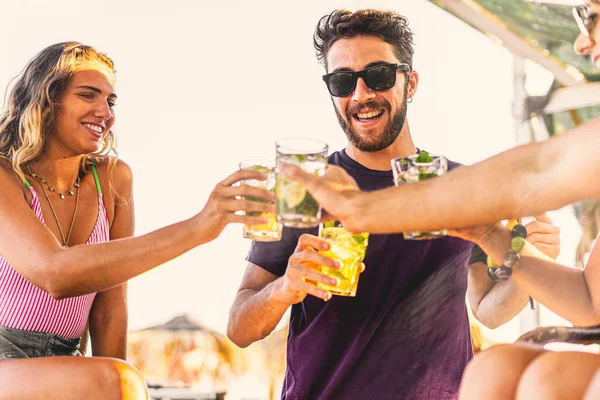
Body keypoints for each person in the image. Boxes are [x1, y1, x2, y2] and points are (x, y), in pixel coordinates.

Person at [226, 9, 559, 399]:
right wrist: (284, 287)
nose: (361, 94)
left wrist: (531, 259)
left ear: (410, 83)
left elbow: (488, 308)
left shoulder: (461, 186)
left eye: (379, 76)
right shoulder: (304, 188)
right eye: (343, 81)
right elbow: (239, 328)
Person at [0, 41, 274, 399]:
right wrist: (197, 228)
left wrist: (119, 384)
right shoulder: (5, 174)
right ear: (46, 99)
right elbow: (55, 274)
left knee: (121, 379)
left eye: (110, 101)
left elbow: (110, 310)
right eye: (88, 95)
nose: (105, 112)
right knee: (118, 380)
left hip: (69, 360)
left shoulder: (113, 179)